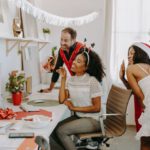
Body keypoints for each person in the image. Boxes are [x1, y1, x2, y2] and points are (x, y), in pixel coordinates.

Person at [50, 48, 105, 150]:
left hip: (94, 119)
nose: (74, 62)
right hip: (80, 117)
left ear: (86, 67)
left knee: (61, 131)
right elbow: (62, 100)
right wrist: (63, 78)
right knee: (52, 129)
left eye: (78, 61)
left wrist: (74, 108)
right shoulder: (72, 80)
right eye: (75, 60)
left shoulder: (92, 81)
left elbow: (97, 108)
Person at [41, 27, 84, 93]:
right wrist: (50, 89)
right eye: (61, 39)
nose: (62, 43)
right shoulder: (61, 51)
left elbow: (84, 73)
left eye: (66, 40)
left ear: (73, 40)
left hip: (90, 84)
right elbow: (57, 69)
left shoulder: (81, 49)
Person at [125, 42, 150, 150]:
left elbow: (139, 95)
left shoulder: (130, 69)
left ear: (140, 53)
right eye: (128, 53)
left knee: (145, 143)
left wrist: (145, 110)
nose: (129, 56)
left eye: (132, 53)